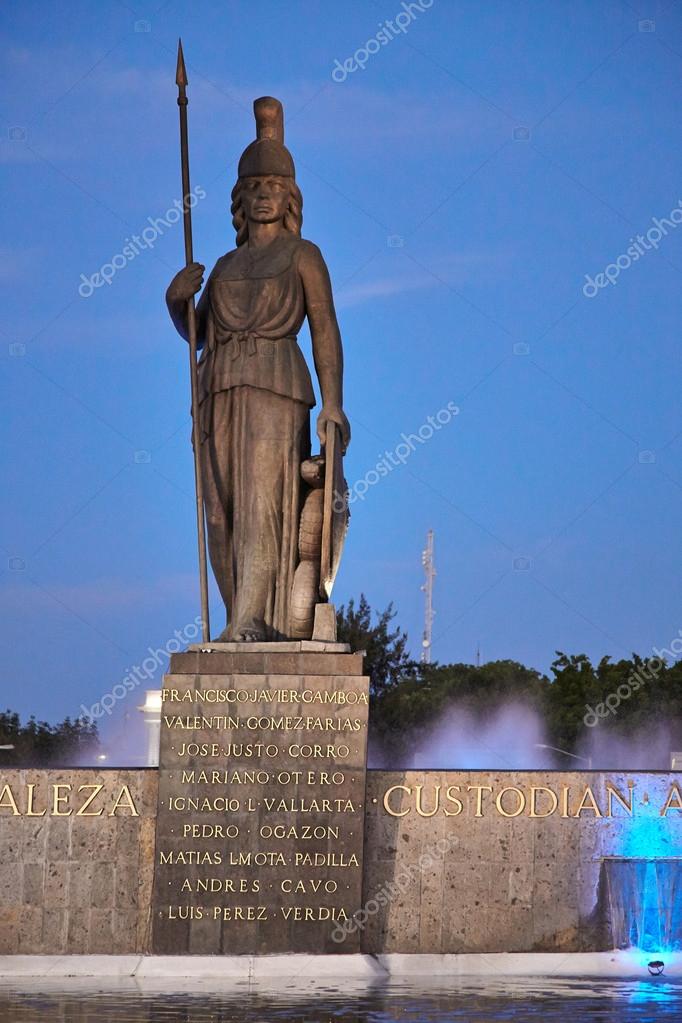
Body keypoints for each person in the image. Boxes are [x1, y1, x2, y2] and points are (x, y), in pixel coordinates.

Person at [166, 97, 350, 642]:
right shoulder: (223, 265)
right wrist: (177, 302)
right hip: (218, 388)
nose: (263, 195)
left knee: (261, 505)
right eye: (254, 188)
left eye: (274, 186)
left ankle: (254, 615)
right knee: (220, 511)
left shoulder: (304, 255)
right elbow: (198, 335)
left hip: (276, 384)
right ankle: (235, 617)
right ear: (240, 201)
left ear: (289, 196)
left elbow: (325, 330)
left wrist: (333, 402)